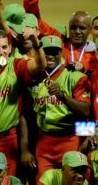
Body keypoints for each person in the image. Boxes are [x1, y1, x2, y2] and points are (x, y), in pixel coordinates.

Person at [0, 28, 46, 176]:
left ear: (9, 49)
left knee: (8, 179)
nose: (1, 52)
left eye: (4, 47)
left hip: (7, 139)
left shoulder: (16, 65)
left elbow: (40, 66)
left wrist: (35, 42)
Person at [21, 35, 91, 180]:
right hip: (44, 140)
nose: (50, 56)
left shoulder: (75, 76)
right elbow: (25, 115)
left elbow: (86, 110)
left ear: (61, 53)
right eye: (47, 51)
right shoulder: (33, 78)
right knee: (43, 180)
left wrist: (86, 139)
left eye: (55, 52)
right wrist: (25, 148)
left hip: (70, 139)